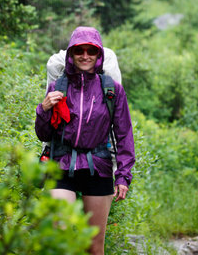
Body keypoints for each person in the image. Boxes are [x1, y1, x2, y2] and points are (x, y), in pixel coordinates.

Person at [35, 26, 135, 255]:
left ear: (98, 54)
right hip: (61, 164)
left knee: (94, 246)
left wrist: (123, 175)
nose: (85, 56)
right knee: (58, 236)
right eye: (80, 50)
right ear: (71, 53)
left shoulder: (112, 90)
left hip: (98, 167)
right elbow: (43, 134)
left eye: (91, 50)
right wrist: (44, 108)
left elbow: (124, 134)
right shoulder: (57, 87)